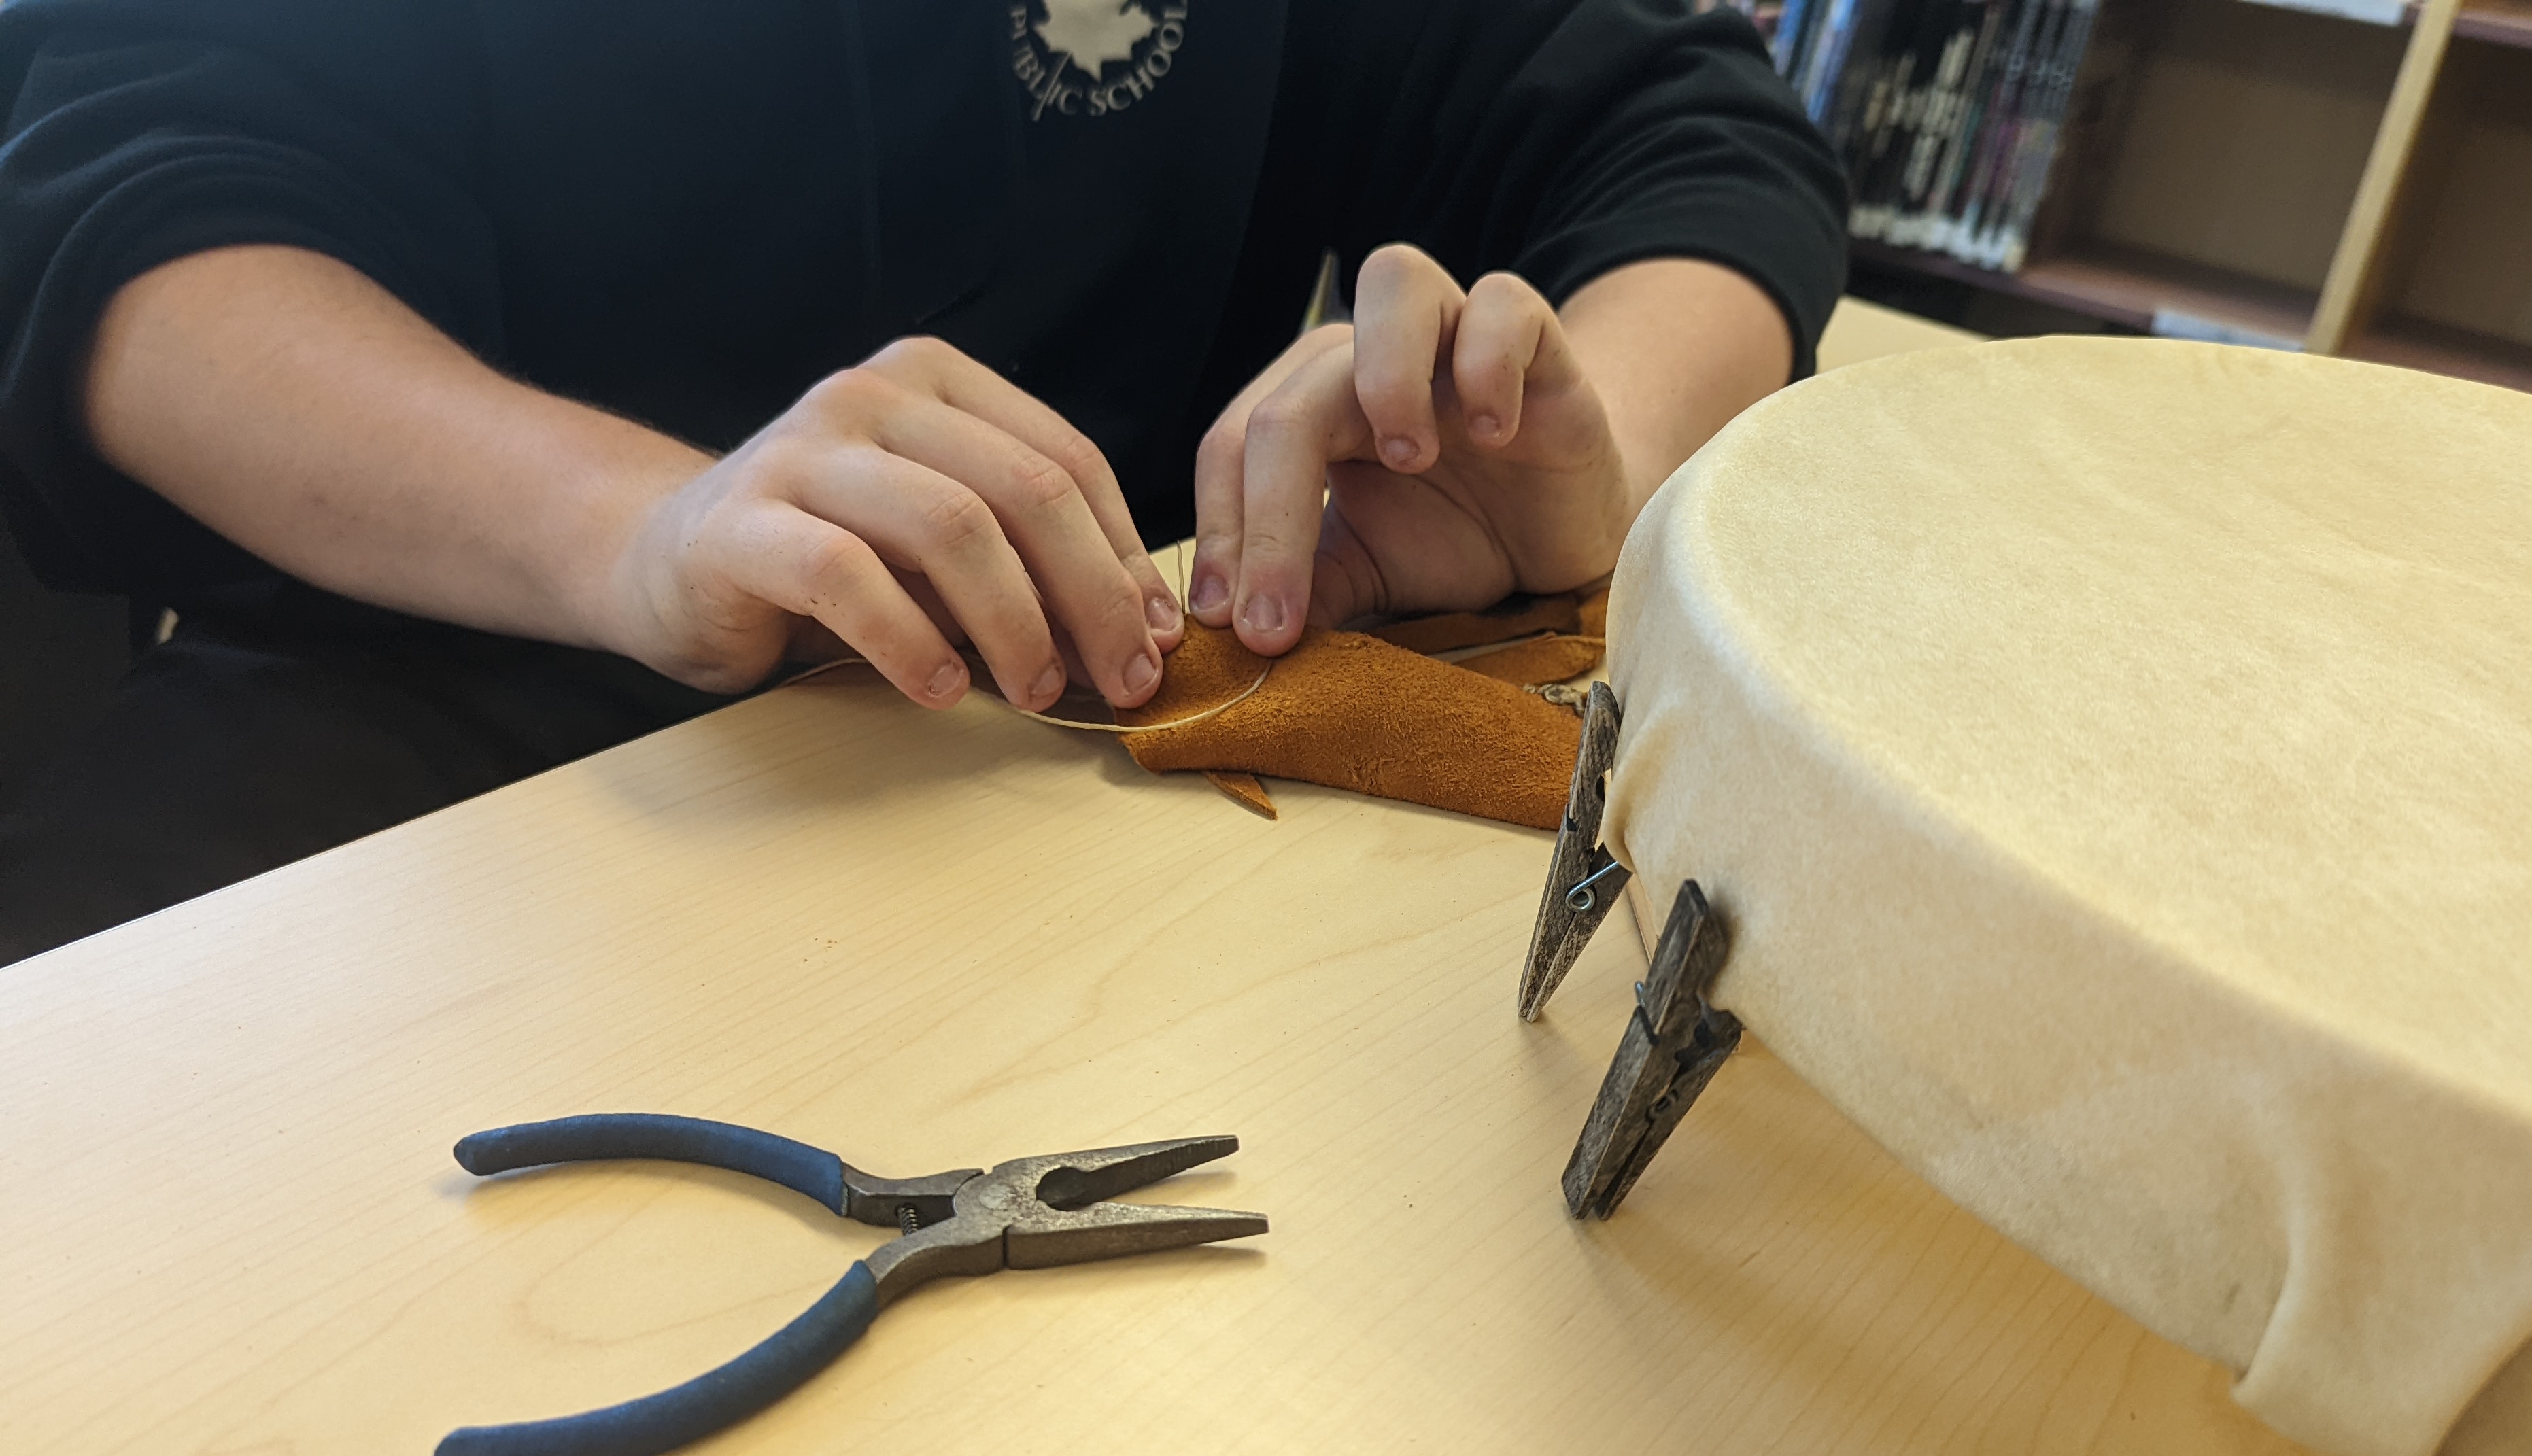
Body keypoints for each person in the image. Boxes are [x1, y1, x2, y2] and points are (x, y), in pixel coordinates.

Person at [0, 0, 1847, 963]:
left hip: (1056, 759)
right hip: (390, 760)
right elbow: (119, 208)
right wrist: (637, 528)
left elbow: (1693, 138)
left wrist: (1574, 445)